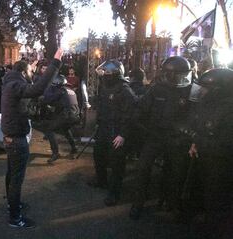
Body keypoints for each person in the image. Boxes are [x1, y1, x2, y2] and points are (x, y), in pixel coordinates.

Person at [2, 48, 63, 228]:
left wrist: (33, 68)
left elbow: (32, 84)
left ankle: (12, 205)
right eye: (29, 71)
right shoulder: (15, 85)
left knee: (11, 174)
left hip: (11, 136)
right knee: (16, 179)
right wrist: (56, 63)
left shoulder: (11, 82)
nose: (32, 73)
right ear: (23, 72)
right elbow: (37, 89)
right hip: (16, 138)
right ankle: (15, 218)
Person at [129, 56, 193, 219]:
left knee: (176, 172)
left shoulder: (190, 90)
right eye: (179, 75)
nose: (183, 78)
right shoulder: (157, 89)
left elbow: (195, 114)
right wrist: (144, 129)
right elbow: (141, 109)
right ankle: (138, 203)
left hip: (177, 138)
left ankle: (173, 202)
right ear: (169, 74)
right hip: (156, 135)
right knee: (143, 168)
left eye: (184, 74)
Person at [187, 69, 233, 238]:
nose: (201, 92)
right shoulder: (208, 104)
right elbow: (200, 126)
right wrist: (195, 142)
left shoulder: (229, 111)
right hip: (206, 159)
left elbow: (225, 144)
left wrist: (200, 142)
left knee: (217, 199)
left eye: (205, 88)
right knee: (205, 195)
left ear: (217, 90)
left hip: (221, 164)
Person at [90, 60, 138, 207]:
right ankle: (101, 181)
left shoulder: (124, 90)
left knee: (117, 163)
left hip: (117, 131)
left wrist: (123, 134)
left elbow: (130, 115)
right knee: (98, 155)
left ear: (115, 74)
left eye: (106, 73)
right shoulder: (106, 86)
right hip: (104, 128)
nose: (104, 75)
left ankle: (114, 193)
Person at [39, 74, 79, 163]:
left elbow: (48, 100)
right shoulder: (70, 90)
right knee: (65, 128)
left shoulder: (60, 90)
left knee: (49, 130)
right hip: (76, 115)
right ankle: (74, 148)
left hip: (67, 115)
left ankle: (55, 153)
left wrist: (42, 99)